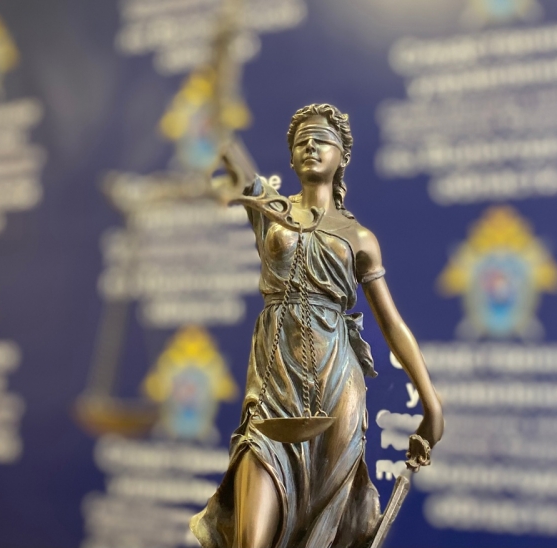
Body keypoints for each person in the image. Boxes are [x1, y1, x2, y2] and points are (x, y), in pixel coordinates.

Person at [190, 104, 444, 548]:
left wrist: (432, 405)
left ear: (342, 156)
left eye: (322, 140)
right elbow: (229, 152)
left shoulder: (359, 238)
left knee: (320, 532)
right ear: (290, 157)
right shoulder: (270, 208)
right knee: (250, 535)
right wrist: (215, 94)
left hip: (335, 385)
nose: (310, 146)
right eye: (301, 141)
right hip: (273, 386)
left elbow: (392, 325)